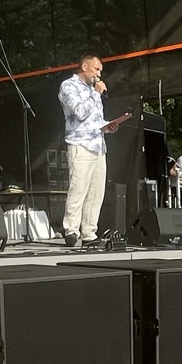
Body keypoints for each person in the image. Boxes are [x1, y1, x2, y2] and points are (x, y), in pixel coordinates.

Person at [57, 55, 120, 247]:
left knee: (96, 192)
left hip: (98, 145)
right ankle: (71, 230)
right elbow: (80, 112)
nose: (98, 74)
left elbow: (94, 120)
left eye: (100, 71)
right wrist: (96, 93)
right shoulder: (69, 86)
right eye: (96, 69)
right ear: (84, 66)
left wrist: (108, 126)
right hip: (80, 144)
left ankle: (89, 232)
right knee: (78, 188)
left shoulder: (93, 90)